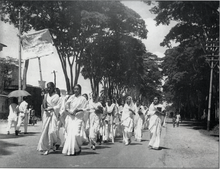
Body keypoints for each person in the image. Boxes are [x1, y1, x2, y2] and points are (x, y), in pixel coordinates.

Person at [62, 84, 87, 156]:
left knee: (76, 134)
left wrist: (78, 110)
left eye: (77, 89)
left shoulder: (83, 99)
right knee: (70, 135)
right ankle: (75, 149)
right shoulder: (71, 97)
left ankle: (78, 145)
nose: (76, 90)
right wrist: (70, 111)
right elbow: (66, 107)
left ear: (80, 90)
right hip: (71, 118)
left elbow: (86, 109)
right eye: (75, 89)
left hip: (78, 118)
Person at [37, 82, 61, 155]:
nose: (49, 89)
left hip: (53, 114)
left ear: (53, 88)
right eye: (48, 87)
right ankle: (46, 147)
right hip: (46, 114)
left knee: (52, 131)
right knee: (45, 131)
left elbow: (59, 106)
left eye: (50, 87)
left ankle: (55, 142)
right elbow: (44, 105)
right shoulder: (46, 95)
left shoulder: (57, 96)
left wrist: (52, 108)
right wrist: (44, 98)